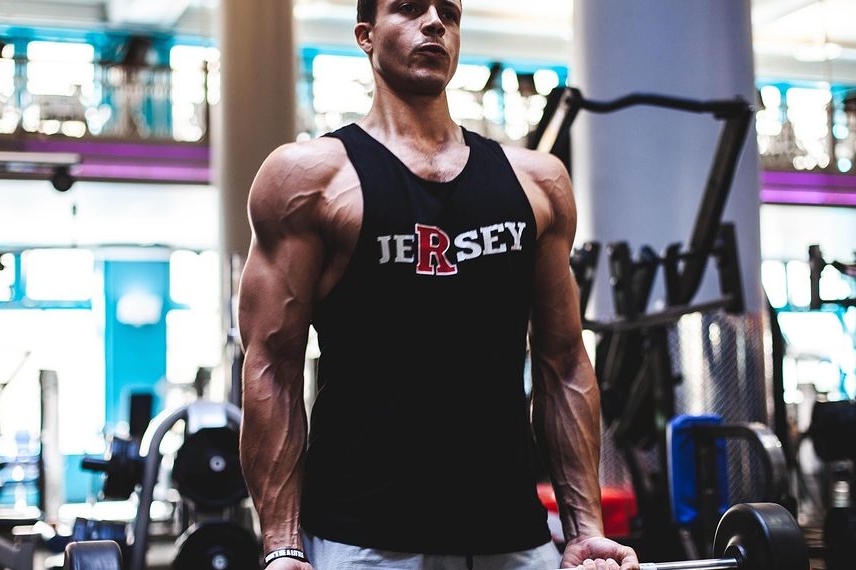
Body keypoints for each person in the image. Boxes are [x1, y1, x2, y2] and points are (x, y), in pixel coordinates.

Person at [238, 1, 639, 569]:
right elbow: (271, 364)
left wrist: (585, 529)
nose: (434, 22)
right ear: (365, 36)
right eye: (407, 8)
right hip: (361, 541)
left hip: (514, 538)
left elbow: (565, 362)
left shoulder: (537, 183)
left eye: (448, 12)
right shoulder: (310, 178)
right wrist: (282, 546)